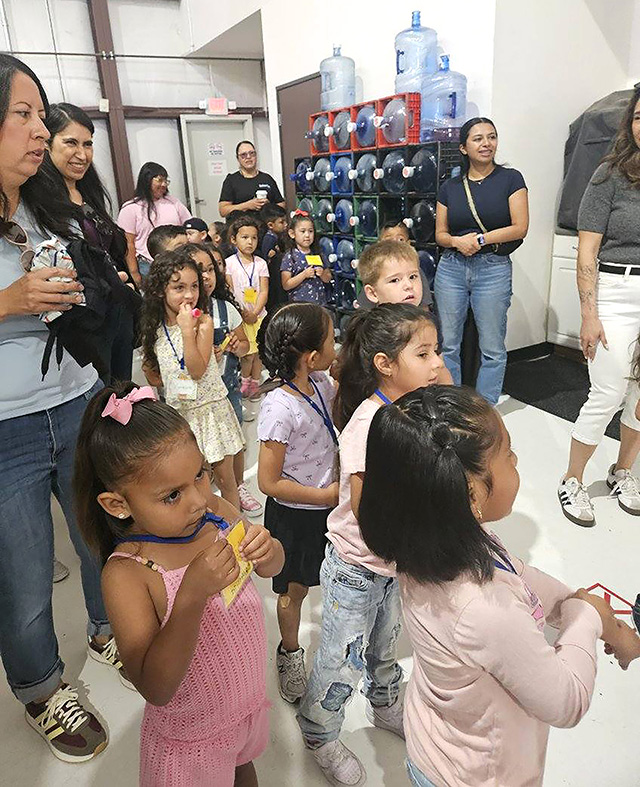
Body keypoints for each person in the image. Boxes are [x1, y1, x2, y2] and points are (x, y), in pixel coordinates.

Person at [358, 385, 640, 787]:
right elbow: (567, 702)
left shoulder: (430, 541)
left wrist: (584, 610)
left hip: (438, 741)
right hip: (477, 774)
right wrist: (589, 617)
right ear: (471, 491)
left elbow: (517, 574)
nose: (517, 459)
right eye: (507, 454)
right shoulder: (483, 609)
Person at [74, 382, 284, 786]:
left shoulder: (215, 513)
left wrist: (268, 548)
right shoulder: (129, 573)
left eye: (201, 474)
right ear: (117, 504)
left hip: (243, 709)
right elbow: (156, 687)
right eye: (172, 495)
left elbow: (271, 569)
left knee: (244, 770)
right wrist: (190, 596)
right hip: (190, 744)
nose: (198, 500)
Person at [0, 53, 118, 763]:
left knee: (98, 534)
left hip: (73, 397)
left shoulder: (45, 202)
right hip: (5, 424)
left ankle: (110, 630)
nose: (41, 130)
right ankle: (42, 686)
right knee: (21, 569)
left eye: (42, 114)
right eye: (23, 114)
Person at [297, 303, 448, 786]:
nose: (436, 364)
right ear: (385, 364)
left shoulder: (411, 410)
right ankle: (319, 732)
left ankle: (385, 706)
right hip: (357, 567)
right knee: (341, 655)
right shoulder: (370, 424)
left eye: (437, 352)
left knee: (384, 645)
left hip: (392, 564)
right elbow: (367, 511)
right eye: (423, 354)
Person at [558, 86, 640, 527]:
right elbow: (586, 251)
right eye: (639, 117)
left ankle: (623, 471)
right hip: (615, 292)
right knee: (607, 390)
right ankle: (572, 479)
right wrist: (589, 315)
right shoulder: (609, 175)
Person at [257, 303, 339, 703]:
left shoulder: (321, 383)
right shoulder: (278, 407)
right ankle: (289, 651)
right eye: (331, 340)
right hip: (295, 515)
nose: (335, 345)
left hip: (330, 509)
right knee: (294, 590)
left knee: (331, 577)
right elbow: (268, 481)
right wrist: (323, 495)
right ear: (310, 356)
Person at [139, 249, 244, 510]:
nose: (189, 294)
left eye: (194, 286)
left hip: (210, 410)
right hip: (180, 414)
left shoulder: (203, 322)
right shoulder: (154, 328)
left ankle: (235, 531)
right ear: (161, 291)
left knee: (225, 478)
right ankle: (205, 528)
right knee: (193, 481)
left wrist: (187, 330)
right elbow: (154, 372)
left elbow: (197, 369)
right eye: (179, 287)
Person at [434, 116, 529, 405]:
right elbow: (440, 234)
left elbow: (520, 226)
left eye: (491, 136)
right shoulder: (450, 187)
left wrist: (479, 240)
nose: (486, 143)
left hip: (493, 268)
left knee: (492, 347)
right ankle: (451, 403)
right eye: (478, 138)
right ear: (463, 148)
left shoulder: (511, 179)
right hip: (451, 266)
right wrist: (457, 241)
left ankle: (485, 408)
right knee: (448, 343)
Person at [40, 102, 137, 383]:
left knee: (122, 394)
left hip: (115, 309)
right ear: (47, 143)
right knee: (99, 400)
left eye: (88, 144)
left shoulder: (89, 192)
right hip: (84, 321)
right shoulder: (40, 202)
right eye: (71, 142)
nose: (82, 154)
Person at [189, 242, 264, 518]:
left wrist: (236, 346)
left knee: (235, 442)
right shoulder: (177, 315)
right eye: (199, 270)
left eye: (211, 269)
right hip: (194, 398)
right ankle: (204, 493)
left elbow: (245, 346)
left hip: (227, 390)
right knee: (197, 448)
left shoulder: (225, 308)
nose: (207, 276)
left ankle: (239, 485)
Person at [118, 162, 191, 286]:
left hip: (178, 261)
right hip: (147, 265)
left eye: (166, 181)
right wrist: (134, 272)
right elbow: (128, 243)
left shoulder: (174, 203)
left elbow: (190, 225)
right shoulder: (131, 208)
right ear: (146, 180)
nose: (163, 185)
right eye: (159, 180)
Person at [225, 216, 269, 398]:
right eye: (244, 237)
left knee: (259, 353)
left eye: (254, 237)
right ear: (234, 239)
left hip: (258, 315)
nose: (250, 242)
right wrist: (243, 313)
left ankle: (255, 384)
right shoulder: (229, 263)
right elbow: (229, 290)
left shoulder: (261, 263)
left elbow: (264, 291)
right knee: (247, 355)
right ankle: (244, 382)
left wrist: (255, 312)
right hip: (240, 317)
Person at [355, 223, 433, 311]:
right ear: (373, 293)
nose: (409, 285)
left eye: (412, 277)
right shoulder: (369, 322)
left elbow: (425, 309)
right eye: (395, 280)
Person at [218, 140, 285, 218]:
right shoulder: (231, 180)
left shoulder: (267, 178)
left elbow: (282, 205)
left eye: (252, 153)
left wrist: (269, 206)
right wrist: (247, 205)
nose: (248, 157)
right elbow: (223, 211)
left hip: (265, 226)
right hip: (241, 226)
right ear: (238, 158)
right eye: (243, 155)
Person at [281, 211, 333, 304]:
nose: (307, 235)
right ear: (292, 234)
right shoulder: (290, 256)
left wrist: (322, 274)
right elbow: (286, 284)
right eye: (302, 231)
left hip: (319, 304)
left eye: (310, 231)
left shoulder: (318, 254)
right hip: (299, 306)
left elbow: (328, 278)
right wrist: (304, 275)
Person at [260, 202, 288, 313]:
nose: (285, 224)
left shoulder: (276, 237)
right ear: (270, 225)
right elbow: (267, 258)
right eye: (281, 222)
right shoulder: (270, 239)